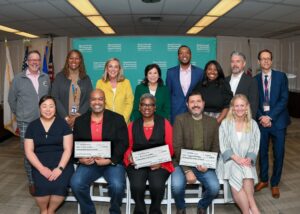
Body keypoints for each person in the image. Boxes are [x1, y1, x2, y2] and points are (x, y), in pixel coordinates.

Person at [70, 89, 128, 214]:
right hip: (89, 163)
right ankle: (89, 211)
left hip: (112, 162)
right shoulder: (80, 121)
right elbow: (74, 144)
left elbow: (123, 143)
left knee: (117, 186)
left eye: (100, 99)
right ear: (90, 101)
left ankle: (115, 210)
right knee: (76, 183)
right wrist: (80, 158)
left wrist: (110, 160)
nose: (97, 102)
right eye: (94, 99)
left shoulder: (117, 119)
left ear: (104, 101)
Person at [8, 50, 51, 195]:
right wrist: (21, 114)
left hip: (44, 121)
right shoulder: (18, 79)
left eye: (37, 60)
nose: (35, 62)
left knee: (43, 150)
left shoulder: (46, 77)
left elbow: (48, 99)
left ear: (40, 62)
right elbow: (11, 100)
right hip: (25, 122)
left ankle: (43, 177)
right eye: (32, 59)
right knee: (28, 153)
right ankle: (32, 182)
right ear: (27, 61)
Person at [124, 93, 174, 214]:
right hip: (138, 162)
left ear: (155, 107)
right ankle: (139, 207)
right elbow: (128, 146)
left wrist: (161, 162)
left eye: (150, 105)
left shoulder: (164, 123)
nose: (147, 108)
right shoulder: (132, 125)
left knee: (157, 185)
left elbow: (171, 146)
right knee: (137, 185)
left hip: (160, 163)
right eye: (144, 105)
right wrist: (129, 156)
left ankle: (155, 208)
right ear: (139, 107)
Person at [171, 91, 220, 214]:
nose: (195, 105)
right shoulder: (180, 119)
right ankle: (181, 207)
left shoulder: (213, 122)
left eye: (198, 101)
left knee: (214, 188)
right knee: (176, 186)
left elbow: (216, 147)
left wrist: (208, 165)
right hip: (181, 163)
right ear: (187, 104)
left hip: (204, 163)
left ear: (203, 103)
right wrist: (187, 170)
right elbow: (177, 147)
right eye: (192, 102)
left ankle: (202, 205)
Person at [24, 95, 73, 214]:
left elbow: (68, 149)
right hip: (39, 163)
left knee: (60, 186)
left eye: (51, 106)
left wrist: (60, 168)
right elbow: (29, 151)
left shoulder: (63, 125)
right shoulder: (32, 126)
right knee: (42, 186)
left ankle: (51, 210)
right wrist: (41, 168)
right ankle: (43, 210)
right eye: (44, 106)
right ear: (39, 108)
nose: (48, 109)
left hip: (62, 162)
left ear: (55, 108)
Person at [254, 49, 290, 198]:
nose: (266, 61)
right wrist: (262, 117)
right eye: (263, 59)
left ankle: (275, 183)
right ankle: (263, 180)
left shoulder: (281, 77)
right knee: (262, 153)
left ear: (272, 60)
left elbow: (284, 99)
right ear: (258, 62)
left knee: (278, 153)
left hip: (279, 122)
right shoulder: (254, 79)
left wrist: (270, 117)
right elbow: (253, 101)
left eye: (268, 58)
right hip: (261, 122)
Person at [217, 94, 260, 214]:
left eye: (242, 105)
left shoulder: (253, 124)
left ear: (247, 107)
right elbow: (223, 146)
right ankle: (252, 210)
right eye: (237, 106)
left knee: (246, 169)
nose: (239, 108)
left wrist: (248, 159)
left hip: (246, 160)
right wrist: (236, 158)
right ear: (232, 108)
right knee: (238, 170)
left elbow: (255, 146)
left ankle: (251, 208)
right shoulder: (225, 123)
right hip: (229, 160)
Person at [51, 49, 93, 128]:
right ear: (67, 60)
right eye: (71, 58)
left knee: (78, 140)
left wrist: (77, 116)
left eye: (77, 58)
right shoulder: (59, 77)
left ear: (80, 61)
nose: (74, 61)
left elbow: (89, 99)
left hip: (81, 119)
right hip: (62, 120)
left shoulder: (86, 78)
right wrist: (66, 118)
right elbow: (55, 98)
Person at [166, 45, 204, 124]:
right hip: (176, 112)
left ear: (191, 55)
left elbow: (202, 93)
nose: (184, 55)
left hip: (194, 110)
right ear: (178, 56)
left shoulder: (199, 72)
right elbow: (168, 94)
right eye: (181, 53)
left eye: (187, 53)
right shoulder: (170, 72)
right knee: (177, 135)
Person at [96, 58, 134, 123]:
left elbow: (129, 103)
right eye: (110, 66)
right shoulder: (100, 83)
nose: (113, 69)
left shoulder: (126, 82)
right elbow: (98, 103)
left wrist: (122, 119)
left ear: (119, 69)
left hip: (123, 122)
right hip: (106, 122)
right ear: (106, 69)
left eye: (116, 67)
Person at [226, 51, 258, 118]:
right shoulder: (225, 80)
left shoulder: (251, 81)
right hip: (226, 121)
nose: (234, 64)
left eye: (238, 61)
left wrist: (248, 123)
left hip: (244, 121)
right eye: (232, 61)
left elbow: (253, 105)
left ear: (244, 64)